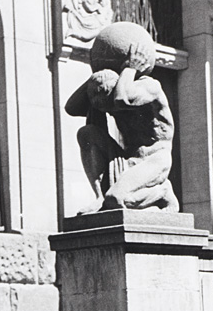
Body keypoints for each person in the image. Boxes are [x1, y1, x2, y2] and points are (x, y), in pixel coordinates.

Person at [65, 40, 179, 213]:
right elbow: (71, 108)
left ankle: (163, 192)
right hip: (128, 158)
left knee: (116, 199)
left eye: (107, 106)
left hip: (154, 160)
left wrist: (130, 68)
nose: (108, 110)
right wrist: (97, 74)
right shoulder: (113, 93)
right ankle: (99, 197)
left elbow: (123, 99)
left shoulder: (150, 87)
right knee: (87, 133)